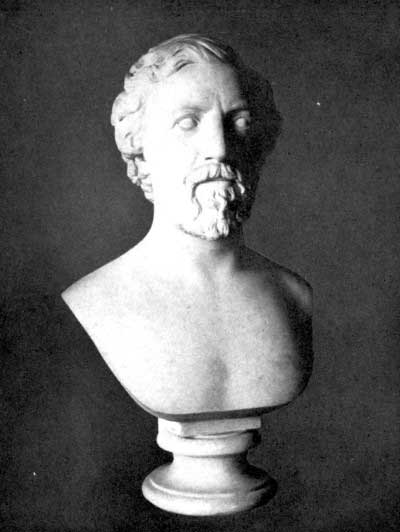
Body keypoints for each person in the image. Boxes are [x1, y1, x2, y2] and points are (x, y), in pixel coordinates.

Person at [62, 34, 313, 419]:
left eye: (239, 122)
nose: (219, 148)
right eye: (188, 122)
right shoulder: (94, 303)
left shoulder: (294, 295)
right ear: (140, 149)